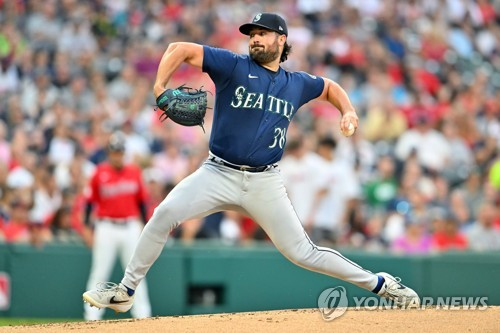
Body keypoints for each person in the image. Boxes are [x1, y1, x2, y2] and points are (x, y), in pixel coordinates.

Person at [83, 13, 420, 312]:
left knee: (303, 253)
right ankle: (126, 291)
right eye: (252, 34)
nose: (255, 38)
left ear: (281, 39)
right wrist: (159, 86)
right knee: (163, 215)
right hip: (217, 172)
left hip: (265, 182)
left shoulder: (296, 83)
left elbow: (330, 87)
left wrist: (348, 110)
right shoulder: (233, 66)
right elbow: (179, 48)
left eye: (262, 32)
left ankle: (380, 283)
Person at [82, 131, 151, 320]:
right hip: (106, 227)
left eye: (120, 151)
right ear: (109, 152)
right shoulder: (99, 172)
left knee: (136, 275)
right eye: (114, 151)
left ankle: (142, 316)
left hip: (130, 227)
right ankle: (91, 317)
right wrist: (87, 228)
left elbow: (143, 203)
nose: (117, 155)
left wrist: (146, 228)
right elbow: (89, 203)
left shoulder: (134, 172)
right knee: (99, 273)